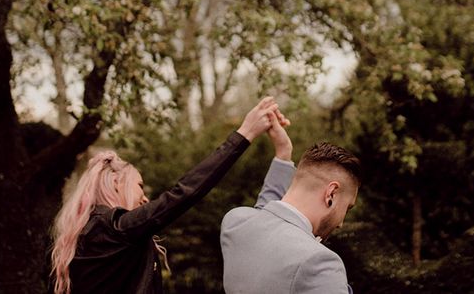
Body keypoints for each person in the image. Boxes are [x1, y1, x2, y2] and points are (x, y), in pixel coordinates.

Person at [50, 96, 287, 294]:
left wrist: (283, 154)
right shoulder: (112, 228)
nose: (144, 198)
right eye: (139, 186)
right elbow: (183, 194)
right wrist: (244, 134)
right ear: (114, 183)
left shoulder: (93, 235)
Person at [220, 125, 361, 294]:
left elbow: (268, 213)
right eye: (347, 208)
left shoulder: (236, 223)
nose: (341, 223)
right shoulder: (320, 263)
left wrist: (283, 153)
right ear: (331, 194)